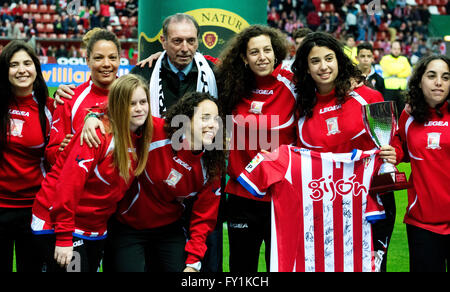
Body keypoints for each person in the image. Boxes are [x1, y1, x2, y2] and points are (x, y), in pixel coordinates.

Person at [291, 32, 397, 271]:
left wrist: (393, 153)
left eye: (329, 58)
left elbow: (391, 140)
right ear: (306, 68)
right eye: (315, 61)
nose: (323, 66)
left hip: (371, 201)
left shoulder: (368, 97)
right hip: (323, 205)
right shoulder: (301, 106)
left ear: (339, 60)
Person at [89, 91, 224, 272]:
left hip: (169, 229)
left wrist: (193, 262)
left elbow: (204, 218)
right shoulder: (158, 130)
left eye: (216, 119)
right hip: (128, 225)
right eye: (205, 118)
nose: (212, 125)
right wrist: (91, 116)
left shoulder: (212, 165)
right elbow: (121, 108)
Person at [31, 74, 152, 272]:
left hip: (94, 227)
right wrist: (63, 236)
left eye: (143, 102)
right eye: (132, 103)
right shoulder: (97, 135)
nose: (139, 108)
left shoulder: (140, 134)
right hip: (58, 223)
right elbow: (67, 185)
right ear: (119, 105)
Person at [215, 24, 297, 272]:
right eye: (254, 52)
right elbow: (198, 60)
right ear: (243, 57)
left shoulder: (295, 84)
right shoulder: (230, 84)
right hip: (242, 195)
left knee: (281, 267)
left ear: (276, 52)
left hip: (283, 196)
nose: (262, 57)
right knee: (241, 269)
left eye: (267, 50)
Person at [391, 55, 450, 272]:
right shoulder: (408, 116)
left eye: (446, 77)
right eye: (432, 76)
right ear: (420, 80)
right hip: (422, 224)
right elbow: (401, 148)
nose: (439, 82)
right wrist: (392, 154)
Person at [0, 40, 54, 272]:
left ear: (36, 67)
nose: (21, 69)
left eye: (27, 63)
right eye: (14, 64)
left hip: (34, 209)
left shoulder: (50, 108)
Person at [45, 27, 121, 166]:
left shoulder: (133, 97)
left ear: (119, 60)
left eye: (112, 58)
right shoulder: (69, 98)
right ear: (87, 60)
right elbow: (52, 154)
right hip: (81, 184)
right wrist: (67, 150)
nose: (106, 64)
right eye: (98, 58)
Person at [355, 41, 396, 272]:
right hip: (349, 192)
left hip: (376, 188)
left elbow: (391, 135)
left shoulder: (375, 91)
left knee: (376, 260)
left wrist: (393, 152)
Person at [379, 40, 412, 114]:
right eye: (394, 48)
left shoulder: (404, 59)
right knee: (388, 112)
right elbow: (390, 70)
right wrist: (401, 69)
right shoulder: (385, 58)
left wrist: (397, 71)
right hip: (389, 89)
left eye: (398, 49)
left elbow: (408, 71)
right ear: (390, 49)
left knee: (402, 112)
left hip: (402, 89)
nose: (396, 51)